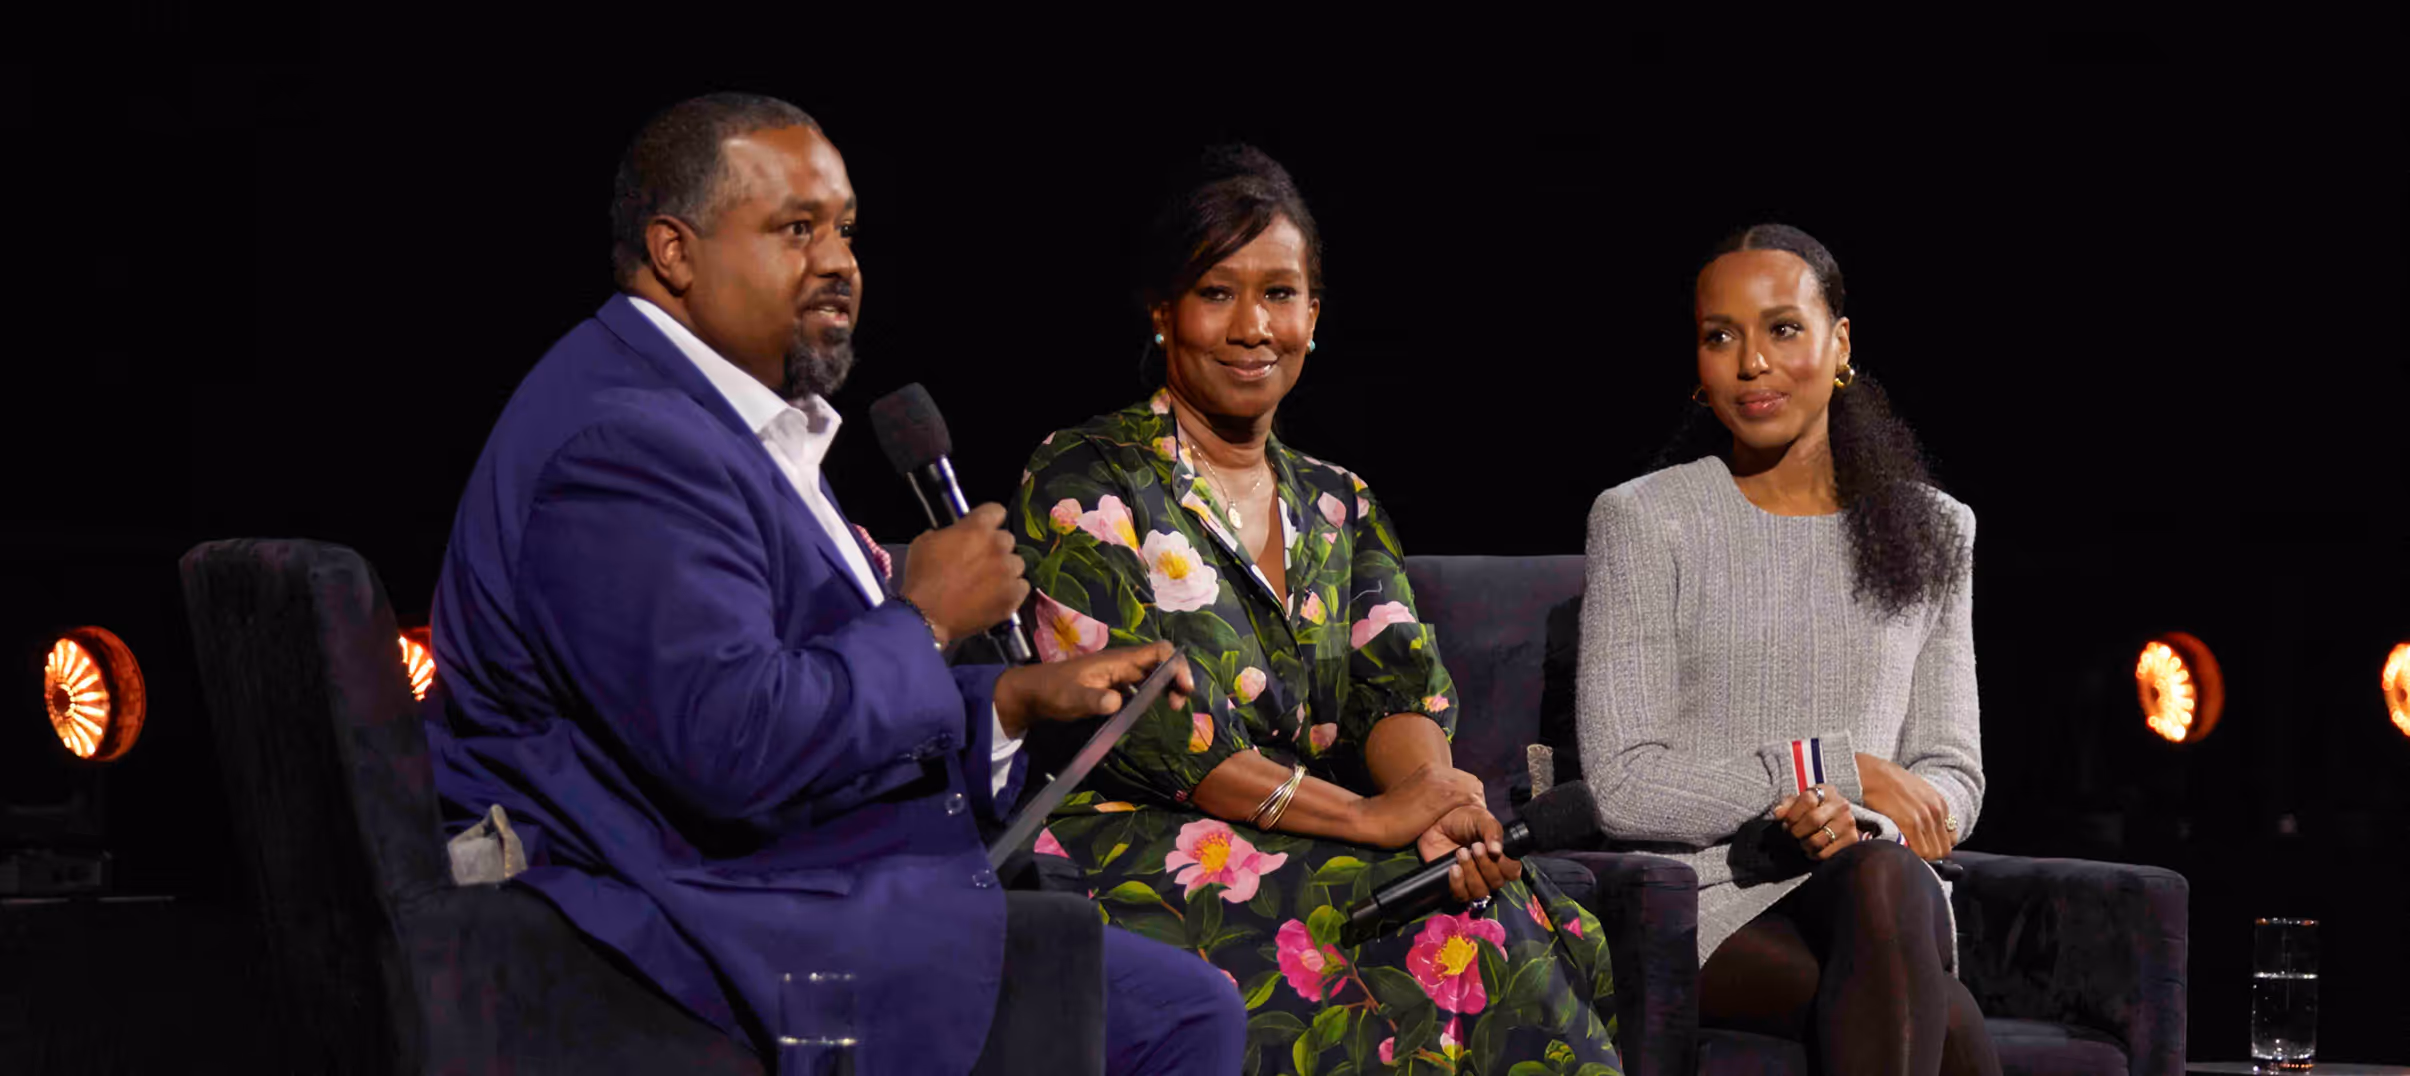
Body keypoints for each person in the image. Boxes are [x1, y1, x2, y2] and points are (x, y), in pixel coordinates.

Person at [422, 93, 1244, 1076]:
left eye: (845, 229)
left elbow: (793, 686)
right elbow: (731, 743)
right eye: (794, 229)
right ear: (674, 253)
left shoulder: (711, 416)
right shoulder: (626, 443)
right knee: (1178, 1010)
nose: (839, 261)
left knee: (1152, 972)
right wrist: (928, 616)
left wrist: (1007, 704)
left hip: (773, 871)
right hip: (688, 923)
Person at [1012, 145, 1622, 1075]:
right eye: (1218, 292)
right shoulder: (1088, 477)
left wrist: (1427, 806)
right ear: (1163, 313)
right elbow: (1152, 731)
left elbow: (1398, 689)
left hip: (1319, 833)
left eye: (1281, 293)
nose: (1254, 326)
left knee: (1538, 914)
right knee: (1456, 937)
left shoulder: (1340, 503)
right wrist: (1369, 822)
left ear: (1315, 315)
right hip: (1129, 846)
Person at [1575, 223, 1997, 1074]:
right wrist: (1829, 769)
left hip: (1878, 884)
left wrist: (1860, 809)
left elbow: (1951, 773)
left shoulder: (1935, 532)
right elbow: (1621, 785)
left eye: (1783, 329)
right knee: (1941, 1021)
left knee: (1883, 883)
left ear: (1840, 344)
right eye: (1719, 336)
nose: (1751, 362)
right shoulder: (1644, 519)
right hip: (1705, 896)